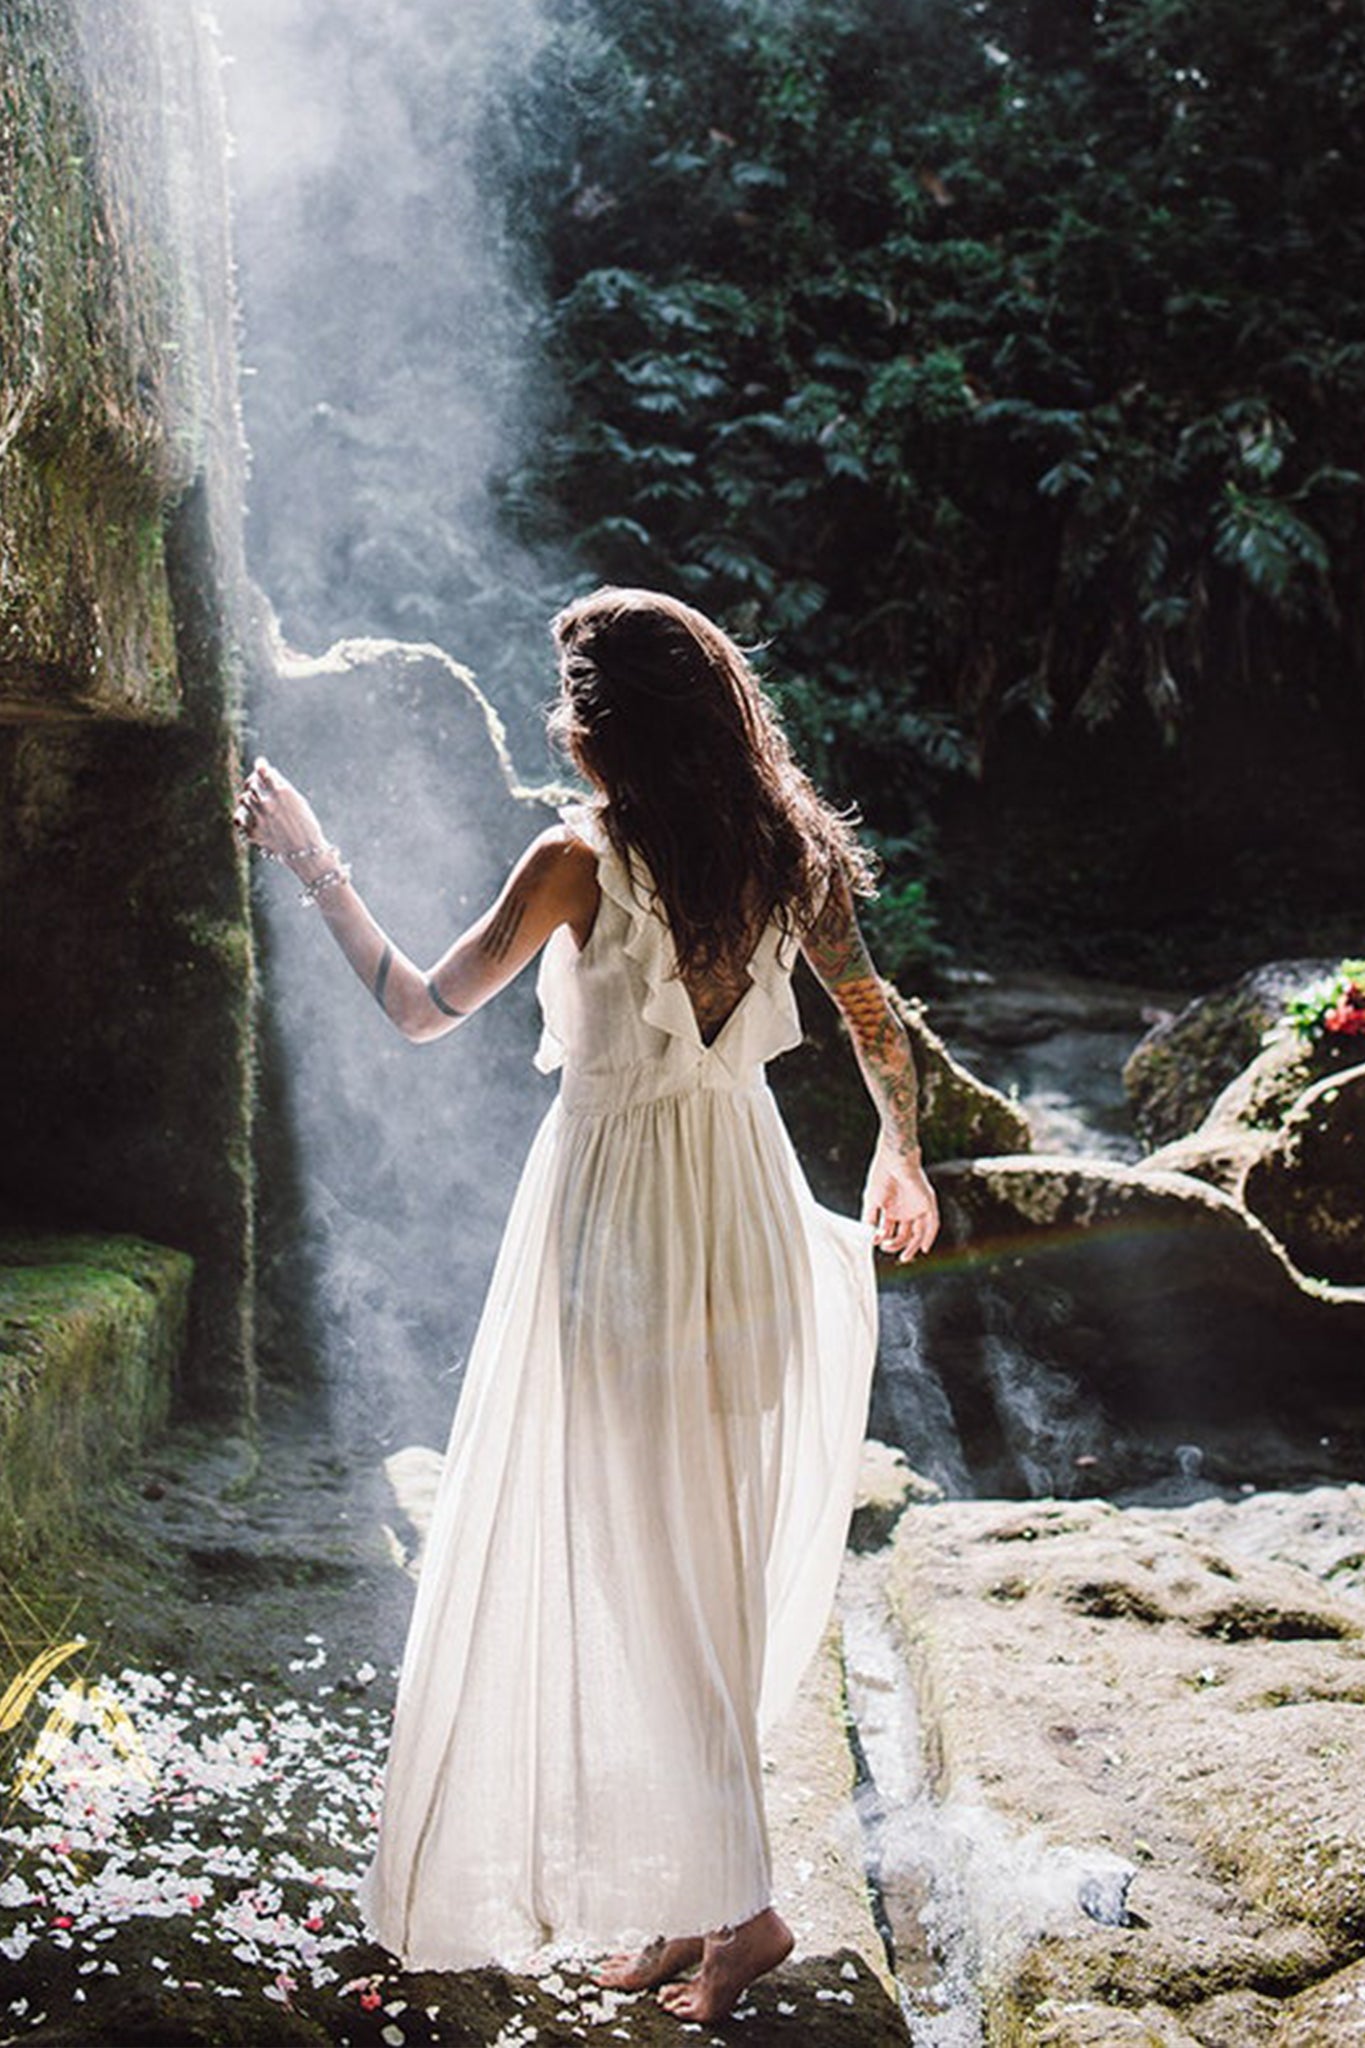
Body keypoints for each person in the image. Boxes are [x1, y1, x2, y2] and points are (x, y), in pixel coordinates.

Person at [233, 587, 939, 2021]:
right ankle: (696, 1897)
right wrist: (898, 1148)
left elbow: (423, 1010)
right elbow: (873, 1014)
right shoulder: (788, 854)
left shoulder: (575, 860)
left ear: (598, 720)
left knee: (640, 1562)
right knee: (696, 1559)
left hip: (624, 1219)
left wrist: (315, 863)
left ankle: (739, 1913)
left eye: (566, 700)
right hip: (738, 1208)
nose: (557, 721)